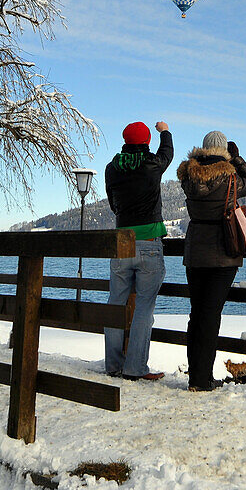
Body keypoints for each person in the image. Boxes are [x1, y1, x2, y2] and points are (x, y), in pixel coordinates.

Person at [177, 130, 246, 391]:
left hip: (195, 250)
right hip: (223, 251)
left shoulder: (188, 176)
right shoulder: (231, 179)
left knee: (196, 314)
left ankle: (195, 378)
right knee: (211, 316)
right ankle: (203, 380)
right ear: (225, 150)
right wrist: (237, 159)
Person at [104, 120, 173, 381]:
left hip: (122, 237)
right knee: (144, 306)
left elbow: (113, 203)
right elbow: (168, 153)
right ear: (145, 142)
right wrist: (164, 131)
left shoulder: (112, 168)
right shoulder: (152, 164)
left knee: (115, 303)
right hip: (148, 238)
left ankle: (113, 365)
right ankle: (135, 368)